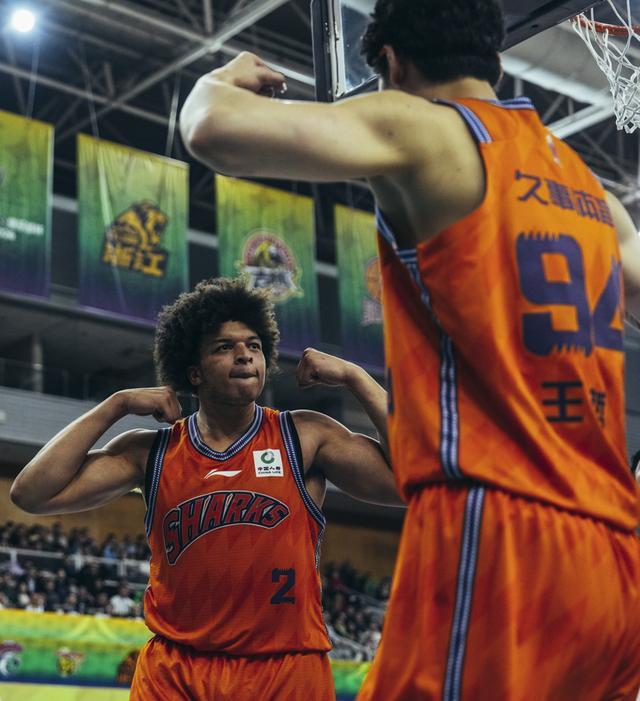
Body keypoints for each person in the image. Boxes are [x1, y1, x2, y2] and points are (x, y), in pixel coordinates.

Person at [178, 1, 640, 698]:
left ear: (392, 63)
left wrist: (223, 76)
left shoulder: (428, 127)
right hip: (614, 549)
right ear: (495, 57)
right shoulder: (591, 190)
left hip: (500, 529)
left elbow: (211, 128)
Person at [10, 276, 400, 701]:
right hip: (177, 670)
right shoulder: (151, 452)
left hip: (284, 667)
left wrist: (356, 378)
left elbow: (409, 481)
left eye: (253, 346)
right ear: (193, 373)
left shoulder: (304, 436)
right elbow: (31, 493)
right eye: (224, 347)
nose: (244, 355)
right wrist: (115, 405)